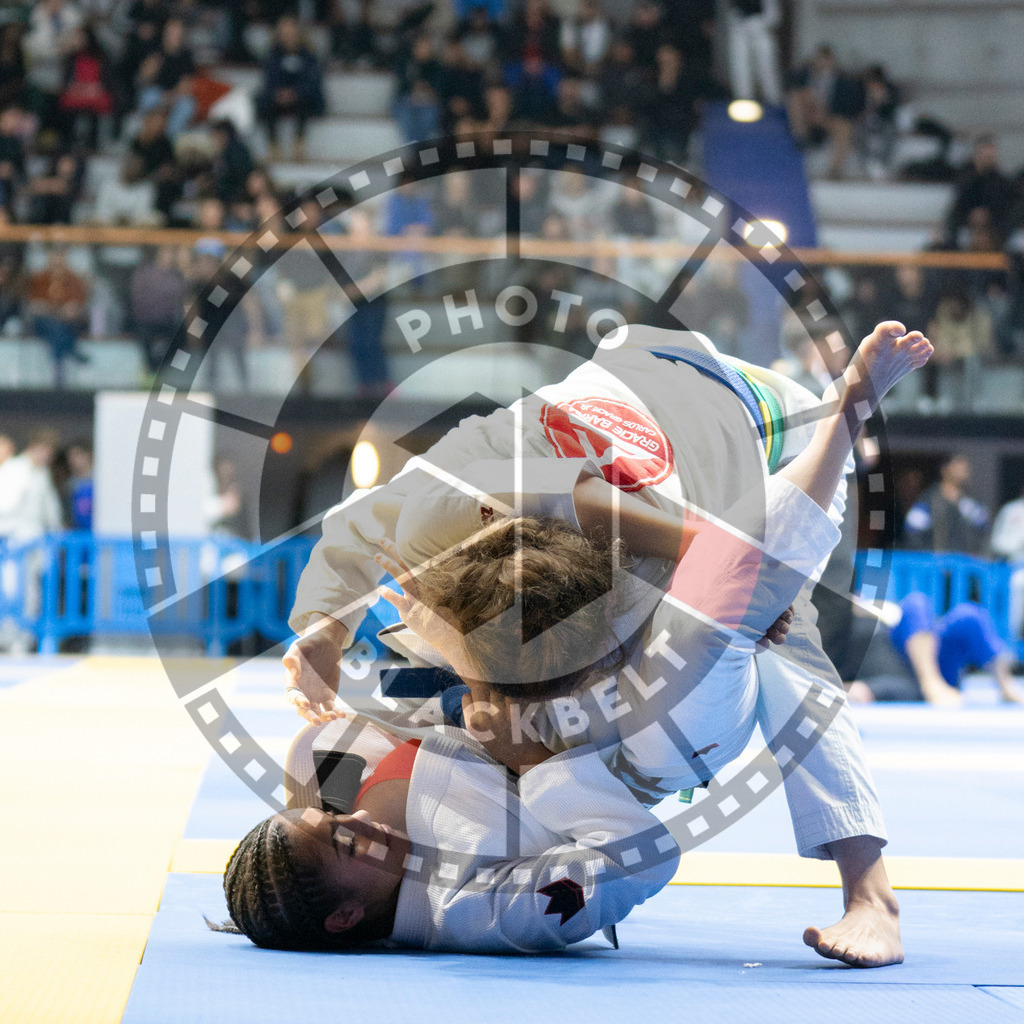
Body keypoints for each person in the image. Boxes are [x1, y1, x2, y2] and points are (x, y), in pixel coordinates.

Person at [284, 320, 932, 967]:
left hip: (772, 429)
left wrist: (757, 587)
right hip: (648, 365)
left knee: (772, 637)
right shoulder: (440, 511)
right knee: (719, 611)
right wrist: (323, 628)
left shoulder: (634, 555)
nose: (355, 828)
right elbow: (360, 527)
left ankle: (872, 895)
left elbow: (694, 544)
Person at [220, 710, 680, 952]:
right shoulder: (476, 910)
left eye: (337, 819)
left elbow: (333, 742)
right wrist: (525, 756)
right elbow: (643, 857)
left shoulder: (333, 785)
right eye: (347, 842)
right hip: (621, 737)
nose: (360, 822)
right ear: (345, 916)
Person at [886, 593, 1022, 705]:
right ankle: (931, 684)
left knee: (969, 615)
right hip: (903, 674)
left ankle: (1006, 687)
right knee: (915, 603)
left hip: (943, 679)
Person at [257, 16, 325, 161]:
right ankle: (273, 145)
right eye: (285, 33)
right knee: (265, 102)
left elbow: (313, 81)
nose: (288, 37)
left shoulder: (309, 55)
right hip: (278, 98)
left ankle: (299, 144)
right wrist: (280, 94)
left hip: (303, 98)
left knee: (305, 101)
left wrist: (295, 93)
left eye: (291, 33)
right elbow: (269, 80)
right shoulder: (273, 54)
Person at [25, 248, 89, 388]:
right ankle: (70, 349)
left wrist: (70, 310)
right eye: (54, 257)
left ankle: (59, 366)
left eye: (60, 257)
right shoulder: (40, 278)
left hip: (68, 322)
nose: (57, 261)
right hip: (45, 322)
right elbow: (34, 306)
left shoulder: (74, 279)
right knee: (54, 325)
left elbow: (79, 306)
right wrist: (51, 310)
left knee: (60, 328)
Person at [904, 454, 990, 554]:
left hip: (965, 565)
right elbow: (913, 533)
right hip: (935, 565)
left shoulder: (970, 505)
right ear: (945, 469)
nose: (965, 471)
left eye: (966, 468)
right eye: (959, 466)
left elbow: (985, 533)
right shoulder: (928, 502)